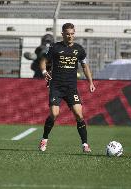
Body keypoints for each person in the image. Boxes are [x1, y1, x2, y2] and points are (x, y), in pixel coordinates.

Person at [38, 23, 96, 153]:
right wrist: (43, 72)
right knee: (54, 114)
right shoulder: (54, 47)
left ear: (74, 34)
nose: (70, 36)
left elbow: (85, 66)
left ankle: (85, 144)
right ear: (63, 34)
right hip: (56, 86)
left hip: (71, 88)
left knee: (79, 114)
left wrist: (90, 82)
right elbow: (43, 61)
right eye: (67, 34)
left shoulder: (79, 49)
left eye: (72, 34)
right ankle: (44, 139)